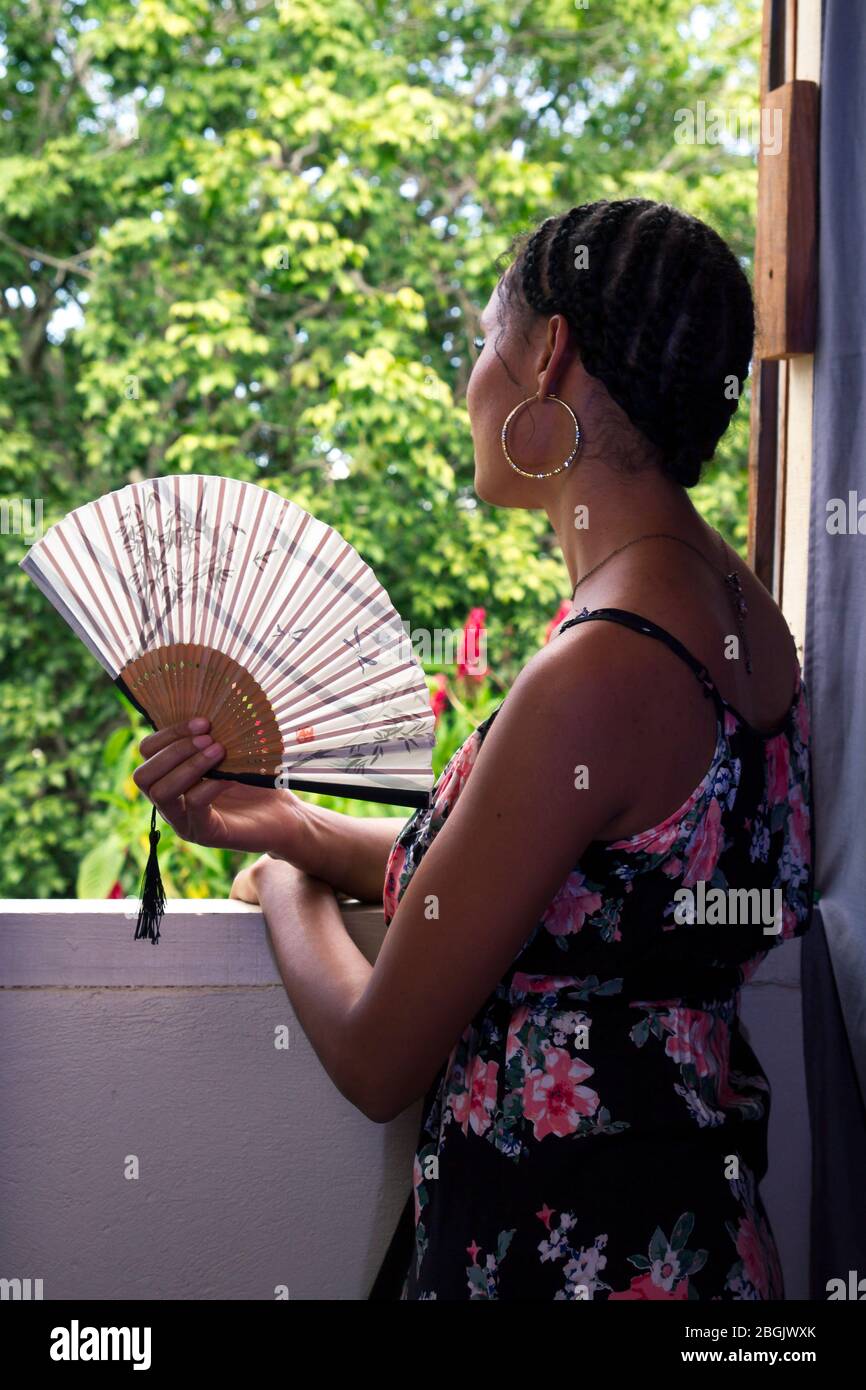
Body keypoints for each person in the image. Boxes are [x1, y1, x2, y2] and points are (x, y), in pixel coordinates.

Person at [133, 199, 814, 1300]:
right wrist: (284, 821)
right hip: (700, 1252)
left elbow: (375, 1055)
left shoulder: (598, 670)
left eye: (483, 339)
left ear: (548, 355)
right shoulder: (738, 614)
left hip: (565, 1262)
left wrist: (285, 889)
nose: (468, 383)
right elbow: (564, 894)